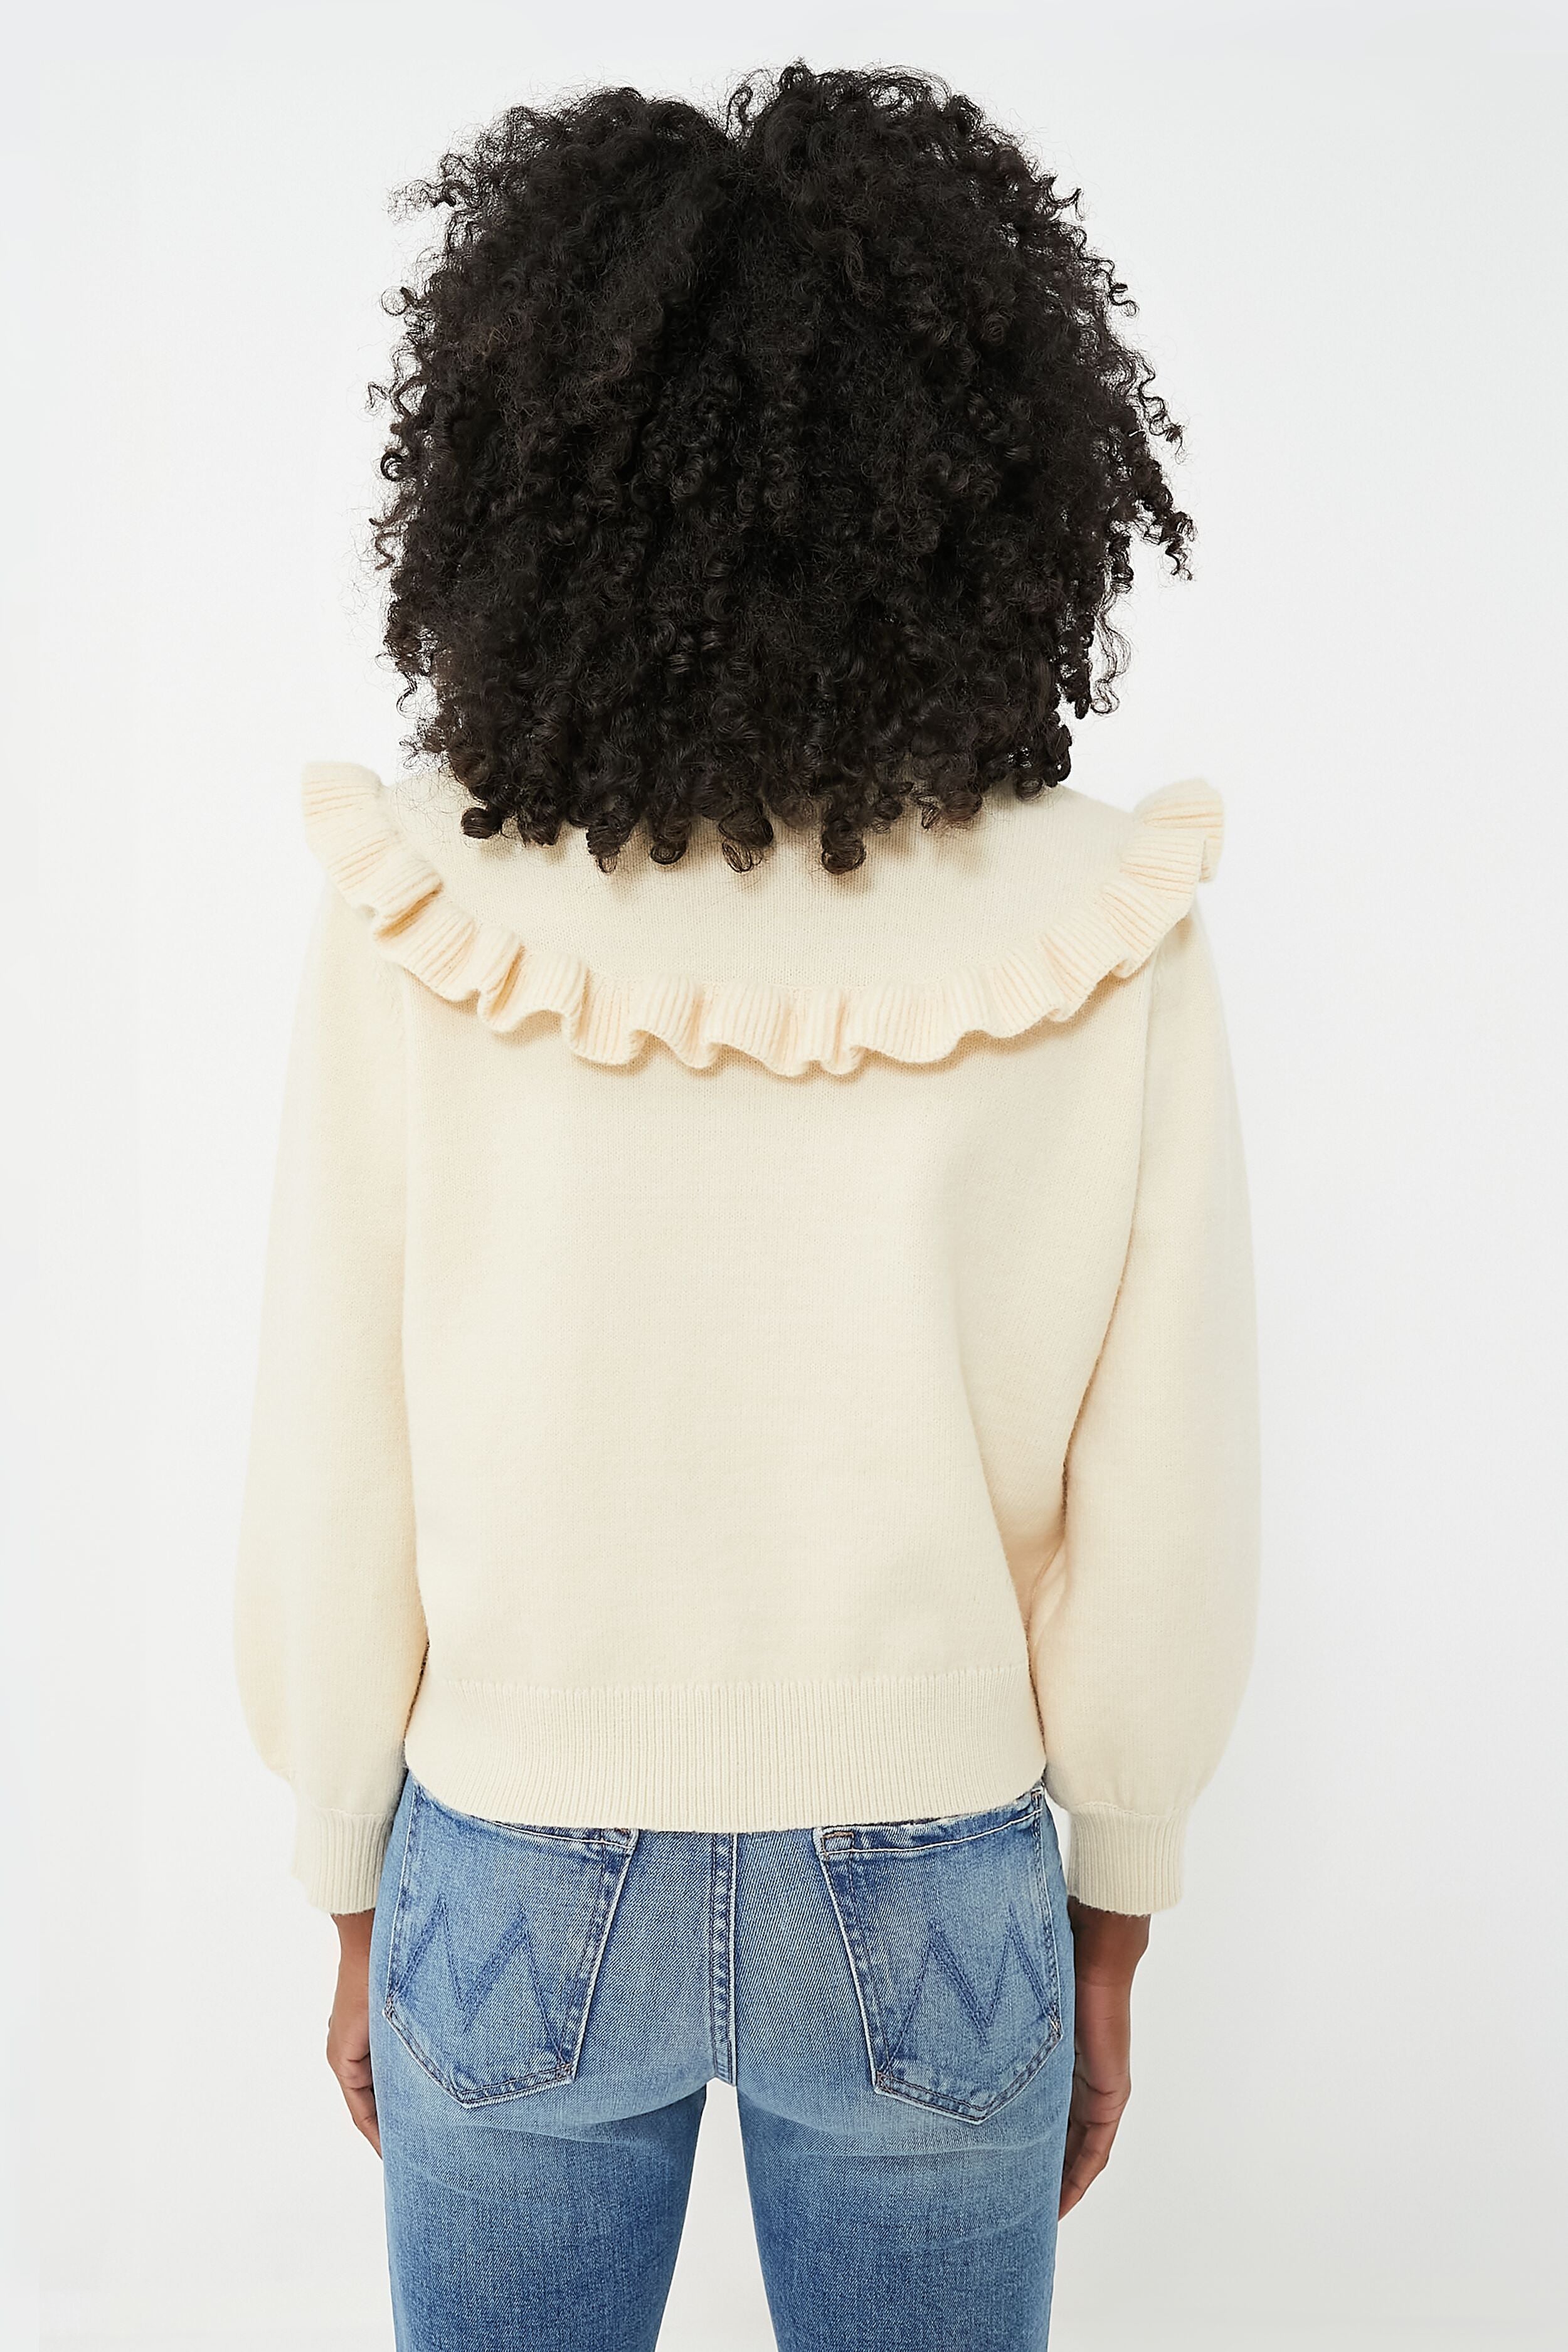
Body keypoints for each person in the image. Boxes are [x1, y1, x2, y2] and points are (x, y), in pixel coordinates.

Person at [235, 61, 1259, 2352]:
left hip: (508, 1850)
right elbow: (1163, 1480)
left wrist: (343, 1871)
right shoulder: (1099, 916)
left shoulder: (421, 899)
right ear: (994, 473)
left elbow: (334, 1432)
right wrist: (1115, 1902)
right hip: (937, 1877)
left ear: (523, 470)